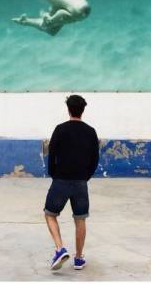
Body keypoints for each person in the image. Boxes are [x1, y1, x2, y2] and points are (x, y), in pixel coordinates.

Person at [44, 94, 100, 271]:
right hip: (81, 182)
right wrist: (85, 177)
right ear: (83, 110)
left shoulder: (60, 129)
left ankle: (60, 249)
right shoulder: (91, 132)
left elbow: (51, 155)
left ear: (68, 109)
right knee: (80, 219)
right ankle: (78, 258)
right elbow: (95, 159)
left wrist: (54, 175)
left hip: (61, 179)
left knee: (50, 214)